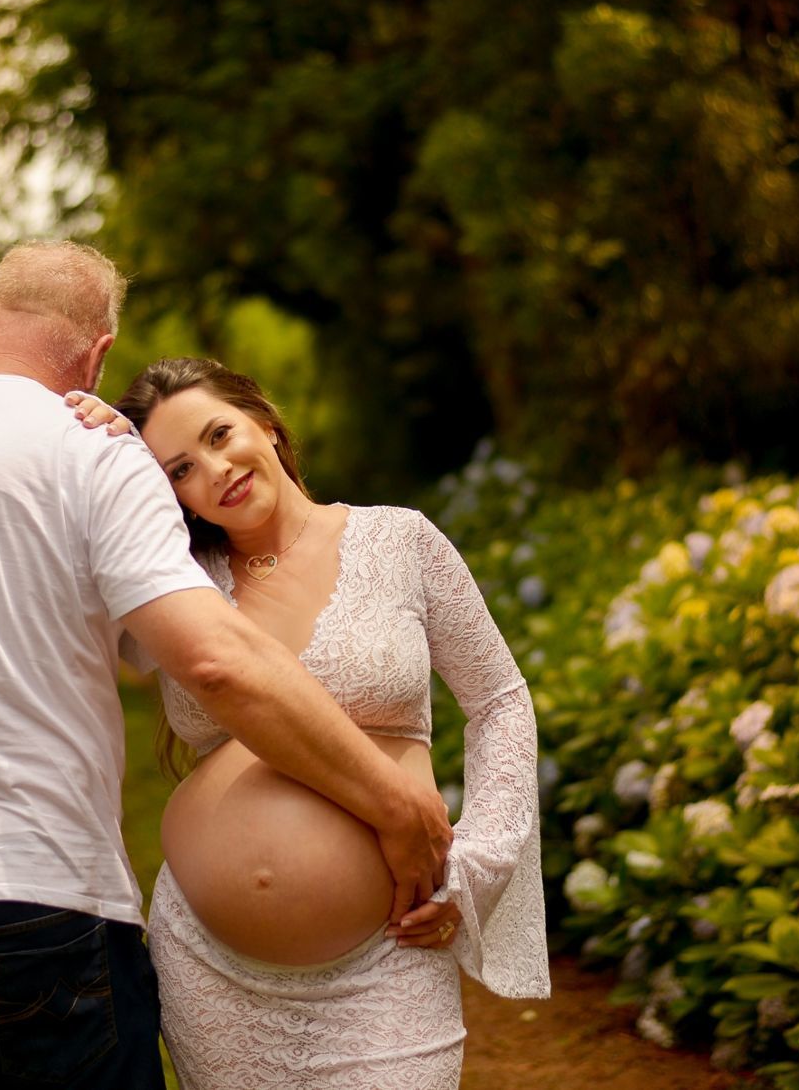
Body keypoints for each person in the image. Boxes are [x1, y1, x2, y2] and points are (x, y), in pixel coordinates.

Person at [0, 242, 452, 1090]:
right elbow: (213, 660)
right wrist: (396, 804)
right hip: (32, 918)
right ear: (98, 355)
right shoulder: (90, 452)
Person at [74, 358, 549, 1090]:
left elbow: (499, 701)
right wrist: (96, 450)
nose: (215, 468)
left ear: (262, 419)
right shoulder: (173, 582)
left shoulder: (400, 542)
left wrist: (480, 862)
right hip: (209, 967)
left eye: (219, 433)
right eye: (179, 469)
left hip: (390, 953)